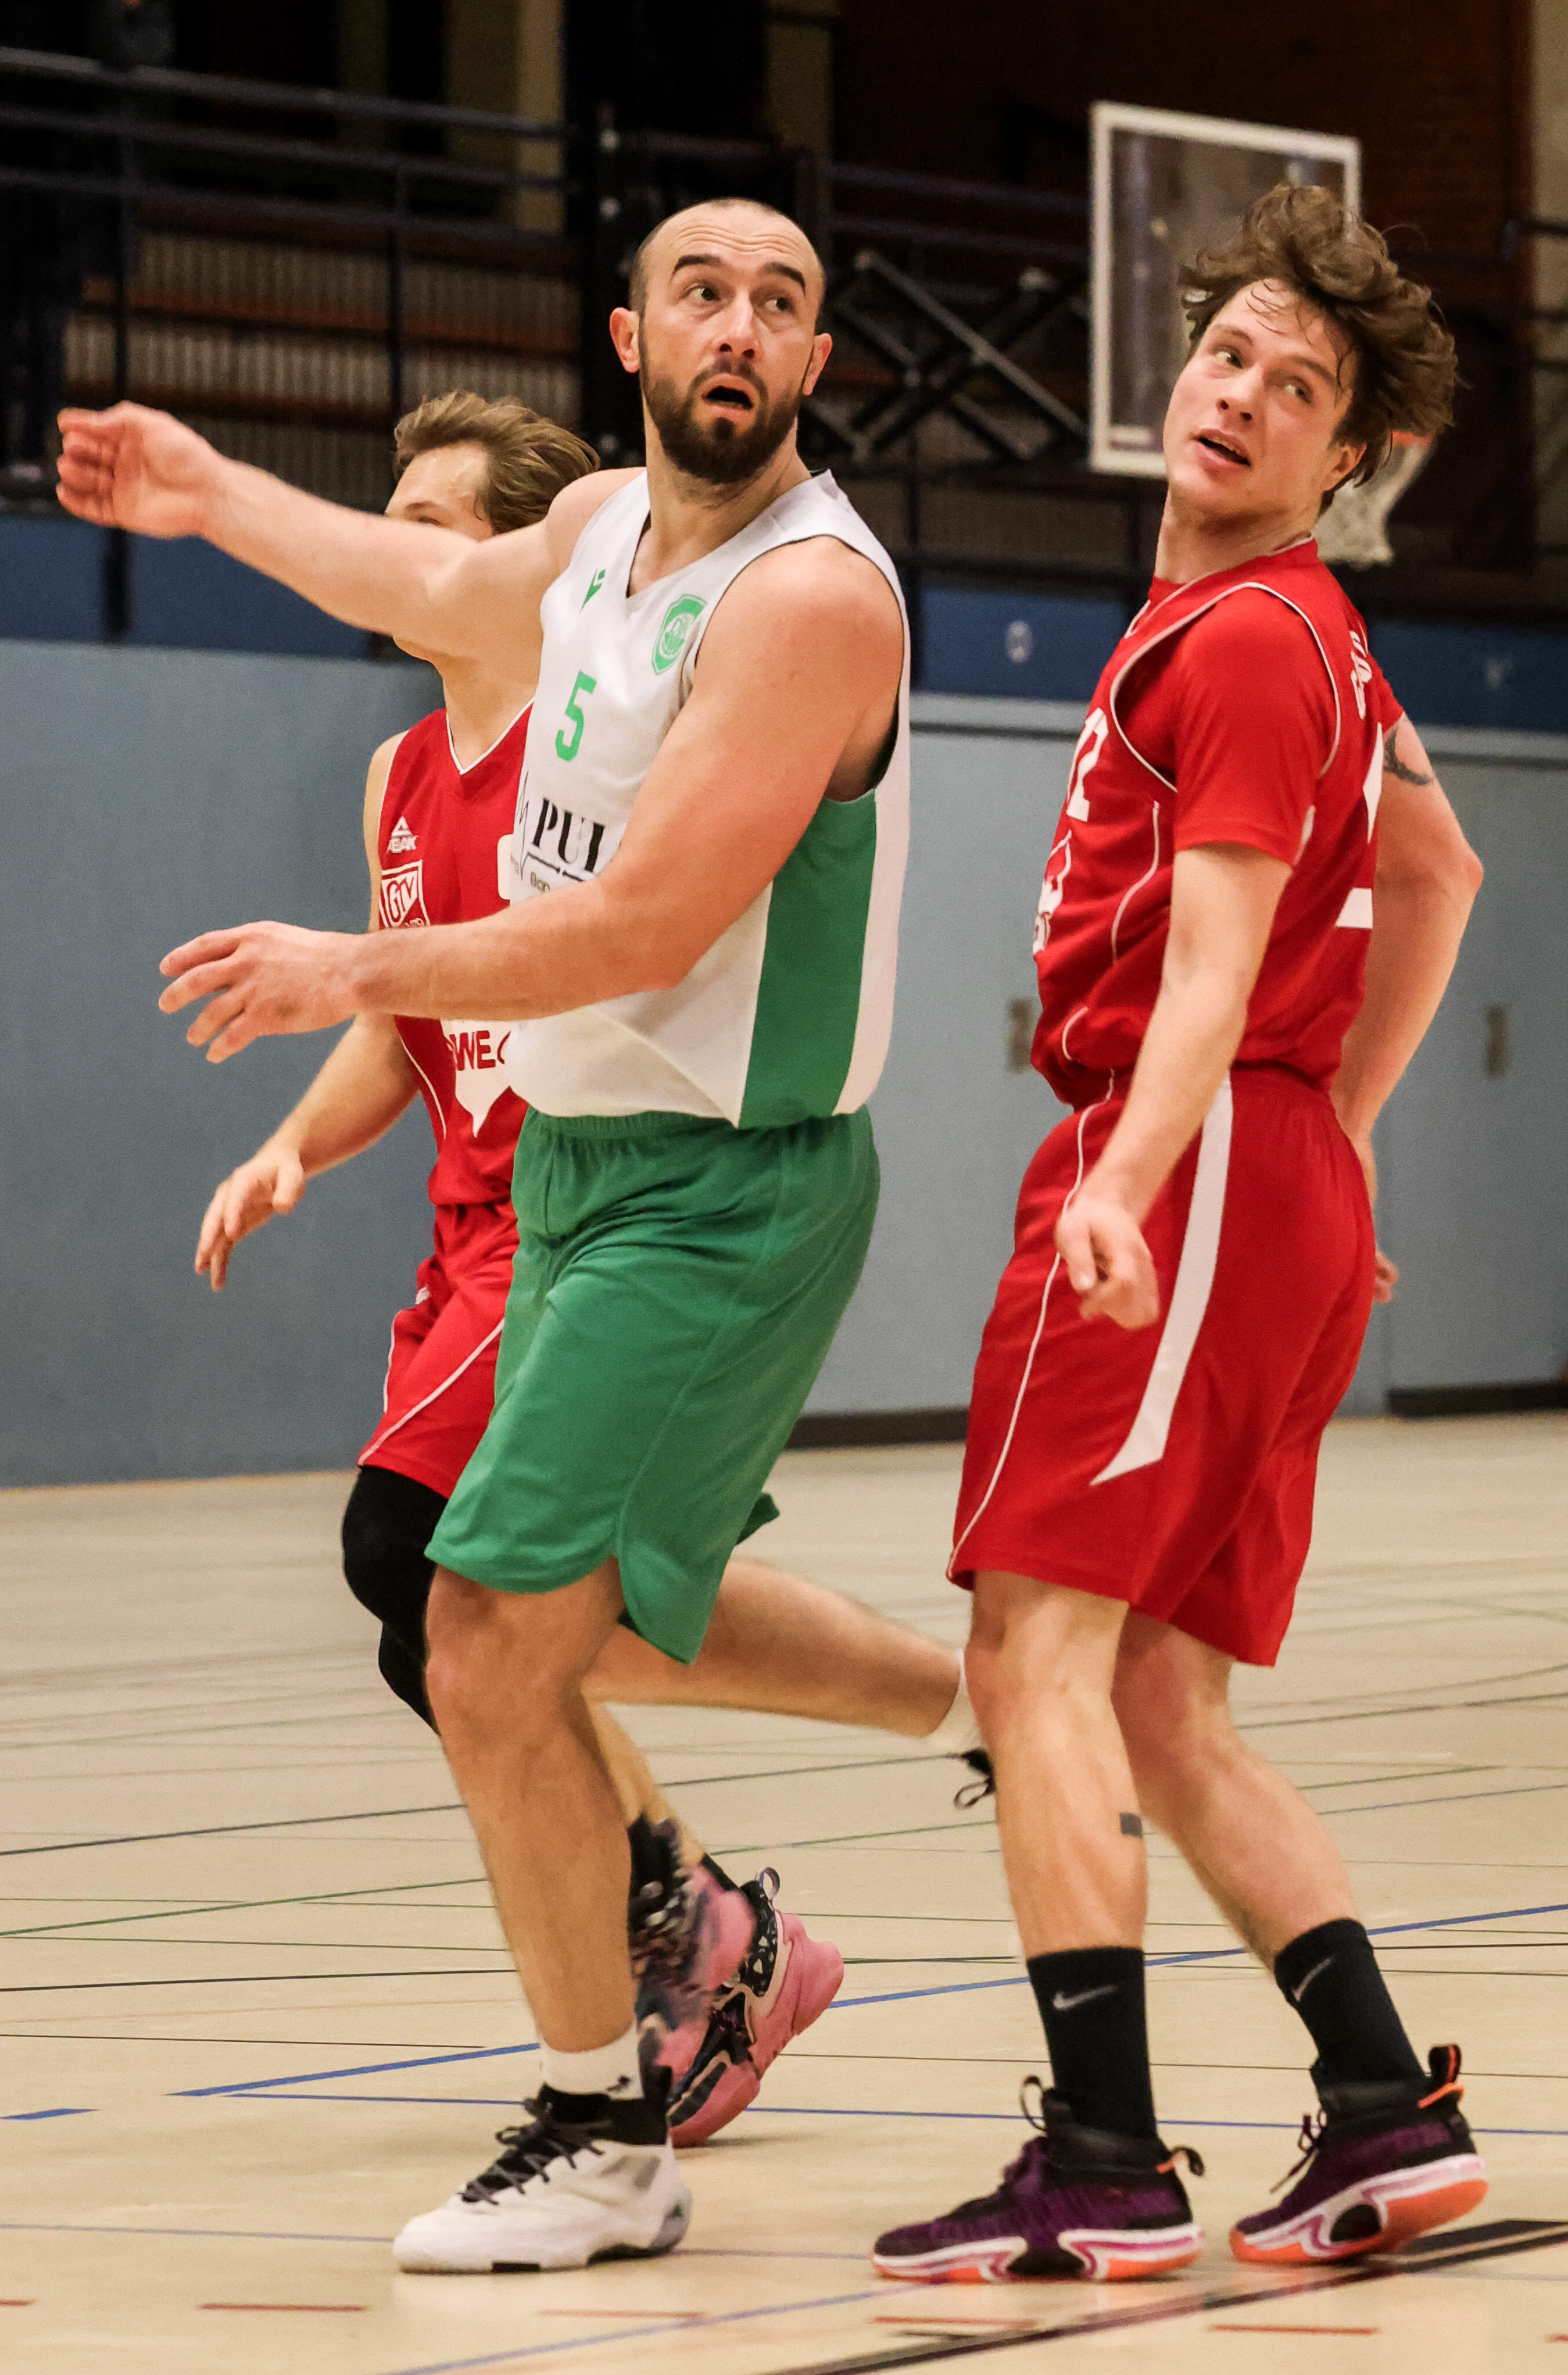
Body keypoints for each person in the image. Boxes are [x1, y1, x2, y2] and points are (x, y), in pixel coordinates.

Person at [60, 196, 914, 2273]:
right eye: (702, 292)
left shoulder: (809, 598)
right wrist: (206, 491)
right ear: (630, 336)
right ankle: (986, 1717)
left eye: (780, 304)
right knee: (527, 1633)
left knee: (472, 1627)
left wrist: (348, 971)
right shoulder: (603, 535)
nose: (739, 326)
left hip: (712, 1180)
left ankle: (612, 2109)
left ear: (814, 364)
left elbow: (643, 925)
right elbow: (422, 573)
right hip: (576, 1173)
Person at [198, 384, 981, 2153]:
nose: (399, 551)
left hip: (604, 1201)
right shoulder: (401, 774)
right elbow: (395, 1013)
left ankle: (706, 1918)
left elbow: (637, 926)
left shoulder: (602, 721)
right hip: (478, 1227)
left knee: (427, 1571)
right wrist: (293, 1148)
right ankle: (726, 1909)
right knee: (455, 1633)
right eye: (389, 516)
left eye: (434, 525)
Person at [869, 185, 1487, 2284]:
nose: (1238, 395)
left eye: (1295, 389)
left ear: (1346, 459)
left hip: (1191, 1155)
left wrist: (1136, 1182)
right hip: (1264, 1170)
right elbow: (1440, 871)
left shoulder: (1239, 639)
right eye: (1227, 353)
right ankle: (1383, 2109)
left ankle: (1106, 2159)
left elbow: (1214, 970)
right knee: (1159, 1698)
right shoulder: (1307, 635)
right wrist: (1338, 1144)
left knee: (1028, 1650)